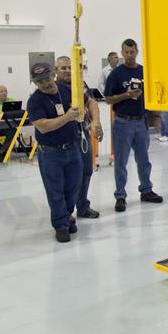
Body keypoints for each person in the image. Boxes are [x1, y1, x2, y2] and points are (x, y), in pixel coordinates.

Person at [27, 61, 86, 244]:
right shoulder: (35, 101)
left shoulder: (65, 90)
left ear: (53, 74)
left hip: (72, 148)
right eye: (40, 81)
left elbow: (83, 105)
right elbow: (43, 127)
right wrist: (67, 117)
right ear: (35, 83)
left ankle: (67, 215)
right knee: (55, 190)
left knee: (73, 187)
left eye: (47, 78)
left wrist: (82, 114)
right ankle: (60, 225)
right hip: (50, 153)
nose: (45, 83)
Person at [104, 38, 163, 212]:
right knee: (121, 162)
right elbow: (108, 99)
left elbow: (151, 98)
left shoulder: (145, 72)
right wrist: (126, 95)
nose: (129, 55)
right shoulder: (116, 74)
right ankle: (120, 196)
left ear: (137, 52)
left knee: (144, 161)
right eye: (126, 52)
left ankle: (146, 190)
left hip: (140, 122)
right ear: (122, 53)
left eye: (132, 52)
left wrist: (156, 117)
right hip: (122, 123)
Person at [55, 55, 102, 220]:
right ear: (56, 71)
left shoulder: (80, 84)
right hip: (62, 140)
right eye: (63, 68)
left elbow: (92, 103)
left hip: (81, 135)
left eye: (70, 68)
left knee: (86, 171)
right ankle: (65, 213)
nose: (68, 71)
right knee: (68, 176)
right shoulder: (52, 89)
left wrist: (95, 122)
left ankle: (82, 206)